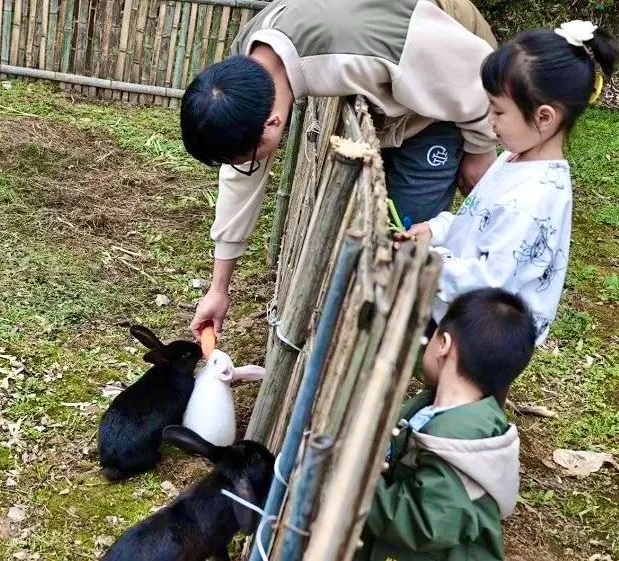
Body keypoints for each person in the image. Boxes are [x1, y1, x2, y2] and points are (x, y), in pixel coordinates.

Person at [181, 0, 502, 340]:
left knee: (405, 238)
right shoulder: (243, 72)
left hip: (457, 69)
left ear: (272, 124)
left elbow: (473, 70)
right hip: (400, 86)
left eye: (248, 158)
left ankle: (431, 339)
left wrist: (480, 147)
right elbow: (240, 178)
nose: (246, 167)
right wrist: (218, 288)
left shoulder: (356, 51)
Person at [397, 21, 618, 344]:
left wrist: (427, 264)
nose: (490, 121)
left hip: (481, 339)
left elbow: (490, 282)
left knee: (441, 377)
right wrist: (436, 230)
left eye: (498, 112)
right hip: (463, 317)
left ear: (544, 117)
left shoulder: (532, 197)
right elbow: (478, 221)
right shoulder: (512, 160)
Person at [355, 288, 537, 561]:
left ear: (443, 344)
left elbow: (419, 522)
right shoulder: (433, 409)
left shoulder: (460, 445)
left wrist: (355, 482)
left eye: (432, 335)